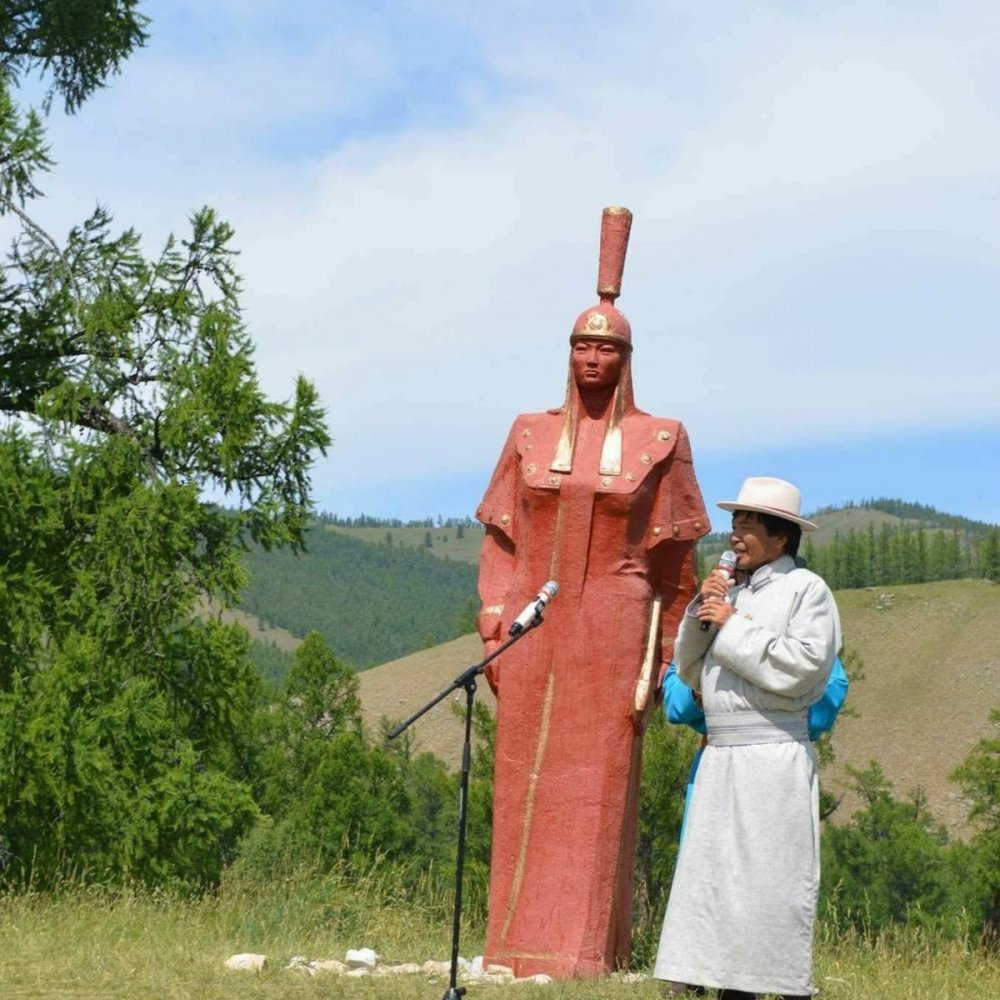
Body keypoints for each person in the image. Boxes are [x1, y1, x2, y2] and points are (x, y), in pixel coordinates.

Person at [475, 207, 709, 978]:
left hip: (615, 619)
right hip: (533, 623)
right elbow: (503, 537)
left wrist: (669, 649)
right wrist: (492, 624)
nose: (591, 359)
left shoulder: (660, 438)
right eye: (581, 345)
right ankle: (511, 945)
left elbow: (677, 554)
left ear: (627, 357)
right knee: (522, 779)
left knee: (599, 778)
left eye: (605, 347)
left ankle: (585, 953)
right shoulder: (530, 433)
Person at [653, 476, 842, 1000]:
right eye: (735, 523)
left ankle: (768, 987)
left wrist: (733, 626)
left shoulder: (807, 591)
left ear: (781, 537)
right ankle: (706, 980)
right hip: (722, 757)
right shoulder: (729, 590)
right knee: (712, 882)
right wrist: (702, 611)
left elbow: (805, 668)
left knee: (766, 885)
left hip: (771, 756)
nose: (736, 535)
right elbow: (688, 671)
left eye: (750, 524)